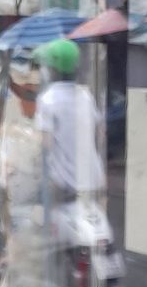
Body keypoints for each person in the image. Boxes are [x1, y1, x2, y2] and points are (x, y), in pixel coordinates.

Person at [32, 39, 105, 199]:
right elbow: (99, 134)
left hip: (65, 184)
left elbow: (46, 143)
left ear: (51, 70)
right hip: (93, 179)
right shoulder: (85, 96)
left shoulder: (47, 100)